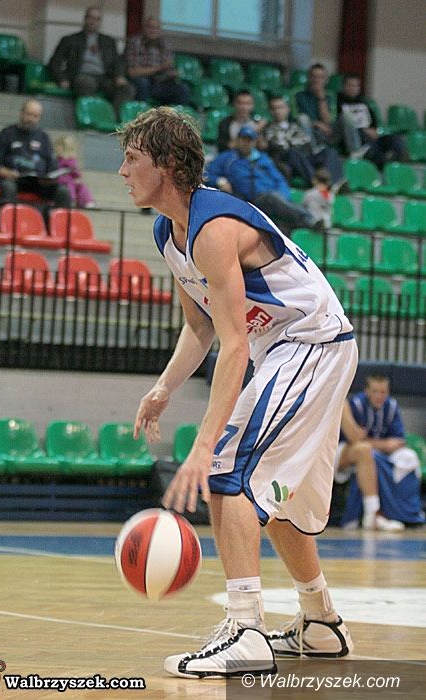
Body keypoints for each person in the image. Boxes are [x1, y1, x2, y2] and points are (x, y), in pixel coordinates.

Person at [118, 106, 358, 678]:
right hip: (290, 350)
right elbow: (200, 324)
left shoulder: (214, 227)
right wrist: (164, 388)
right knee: (279, 503)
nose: (122, 171)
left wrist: (204, 446)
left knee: (229, 471)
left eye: (132, 159)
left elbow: (233, 346)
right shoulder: (168, 231)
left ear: (167, 164)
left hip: (310, 342)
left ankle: (246, 630)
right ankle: (320, 622)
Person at [334, 374, 423, 531]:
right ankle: (372, 514)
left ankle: (406, 514)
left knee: (408, 457)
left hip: (371, 453)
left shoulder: (391, 406)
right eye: (375, 391)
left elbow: (398, 441)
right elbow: (355, 439)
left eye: (383, 392)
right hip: (335, 451)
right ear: (367, 391)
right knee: (366, 452)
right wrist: (383, 444)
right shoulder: (351, 403)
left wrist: (374, 442)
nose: (379, 396)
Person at [206, 125, 323, 233]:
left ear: (254, 142)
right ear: (238, 140)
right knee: (272, 199)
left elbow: (279, 179)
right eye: (243, 139)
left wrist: (284, 197)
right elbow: (207, 175)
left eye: (249, 140)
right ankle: (309, 220)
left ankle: (310, 228)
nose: (246, 143)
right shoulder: (227, 158)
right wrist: (219, 180)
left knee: (282, 217)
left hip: (274, 199)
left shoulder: (263, 159)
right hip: (250, 200)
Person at [48, 6, 134, 119]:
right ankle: (92, 118)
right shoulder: (70, 40)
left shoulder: (109, 41)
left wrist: (119, 76)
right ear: (85, 19)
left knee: (127, 88)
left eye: (97, 19)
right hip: (81, 76)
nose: (93, 21)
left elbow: (117, 62)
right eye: (91, 18)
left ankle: (113, 119)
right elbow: (54, 62)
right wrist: (62, 79)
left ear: (100, 22)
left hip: (104, 78)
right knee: (86, 83)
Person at [0, 98, 71, 207]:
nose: (31, 119)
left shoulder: (44, 137)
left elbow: (52, 167)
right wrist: (7, 173)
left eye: (35, 116)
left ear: (39, 118)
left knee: (63, 192)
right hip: (13, 179)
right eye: (28, 114)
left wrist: (49, 178)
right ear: (21, 113)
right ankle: (8, 218)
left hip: (38, 182)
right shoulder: (7, 133)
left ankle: (58, 219)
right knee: (8, 187)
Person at [262, 95, 344, 187]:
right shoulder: (268, 129)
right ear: (270, 111)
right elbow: (280, 147)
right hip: (288, 159)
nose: (278, 111)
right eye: (274, 108)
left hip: (304, 156)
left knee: (329, 152)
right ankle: (316, 182)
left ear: (288, 109)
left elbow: (307, 144)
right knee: (293, 152)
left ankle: (333, 183)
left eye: (281, 107)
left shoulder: (295, 126)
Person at [294, 64, 368, 158]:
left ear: (325, 80)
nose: (317, 80)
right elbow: (294, 118)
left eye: (321, 77)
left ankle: (355, 152)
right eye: (314, 77)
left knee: (347, 116)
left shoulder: (330, 96)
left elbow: (329, 121)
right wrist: (315, 123)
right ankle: (312, 152)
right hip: (310, 133)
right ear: (309, 78)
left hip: (329, 133)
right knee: (302, 118)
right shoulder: (298, 94)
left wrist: (322, 98)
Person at [337, 74, 408, 169]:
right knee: (369, 144)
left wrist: (374, 130)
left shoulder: (364, 102)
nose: (353, 88)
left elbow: (373, 122)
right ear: (344, 86)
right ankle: (382, 165)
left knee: (396, 140)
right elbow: (341, 124)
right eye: (350, 85)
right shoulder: (338, 102)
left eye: (356, 86)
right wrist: (364, 130)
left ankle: (395, 166)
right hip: (355, 138)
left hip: (371, 135)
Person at [126, 17, 190, 105]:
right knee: (143, 83)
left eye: (156, 28)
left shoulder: (165, 45)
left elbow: (169, 68)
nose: (153, 30)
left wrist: (172, 74)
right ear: (144, 28)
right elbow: (133, 72)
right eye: (150, 27)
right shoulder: (135, 43)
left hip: (160, 82)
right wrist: (159, 68)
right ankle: (142, 111)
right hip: (142, 80)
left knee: (183, 89)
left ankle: (175, 113)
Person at [54, 135, 94, 208]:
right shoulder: (57, 160)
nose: (56, 150)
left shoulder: (70, 161)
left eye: (58, 148)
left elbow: (76, 173)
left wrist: (75, 174)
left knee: (76, 186)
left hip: (67, 181)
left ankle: (79, 200)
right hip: (58, 180)